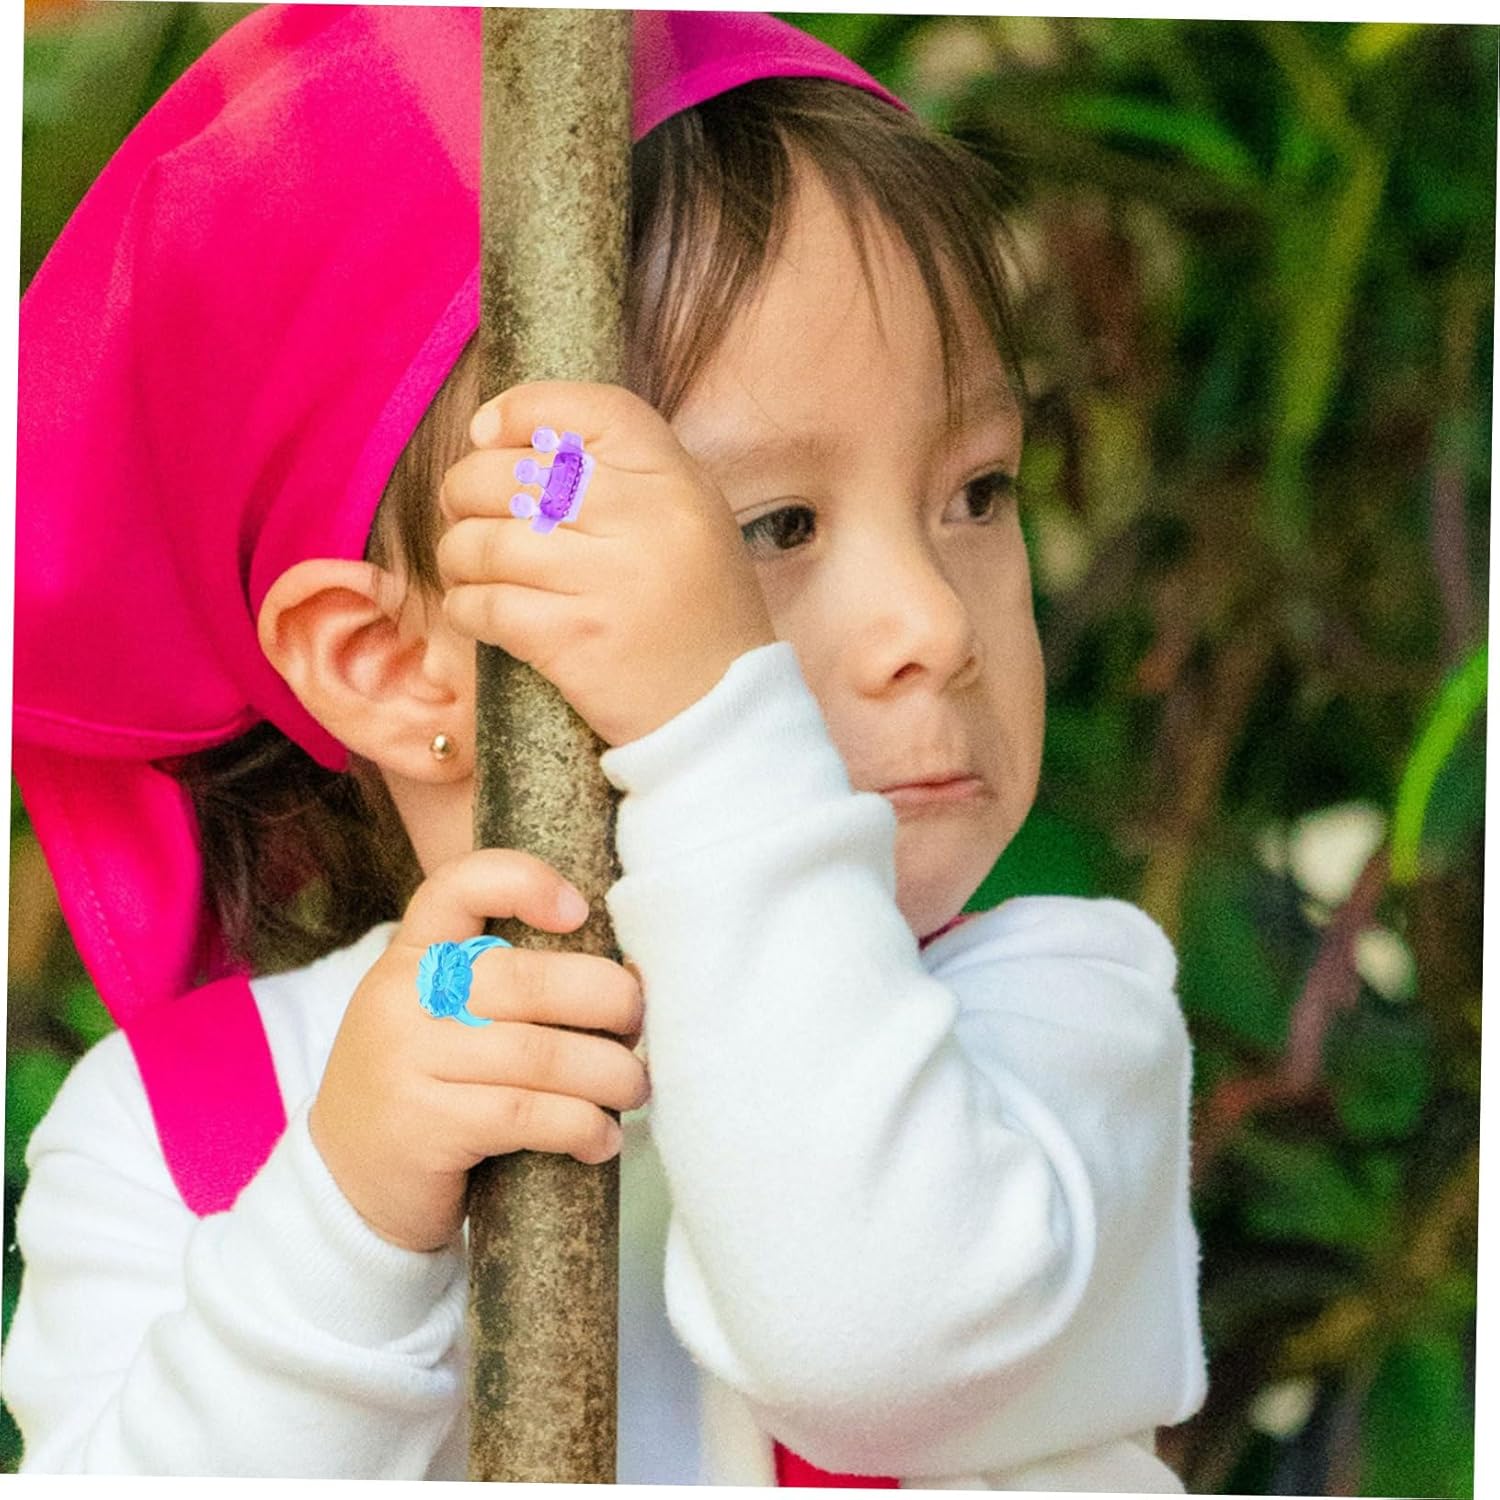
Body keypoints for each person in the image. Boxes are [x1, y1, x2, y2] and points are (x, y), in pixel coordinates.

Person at [3, 3, 1207, 1487]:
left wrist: (714, 737)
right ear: (389, 664)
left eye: (975, 493)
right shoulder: (181, 1131)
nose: (933, 623)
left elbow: (879, 1344)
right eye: (770, 528)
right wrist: (349, 1223)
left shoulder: (1059, 1022)